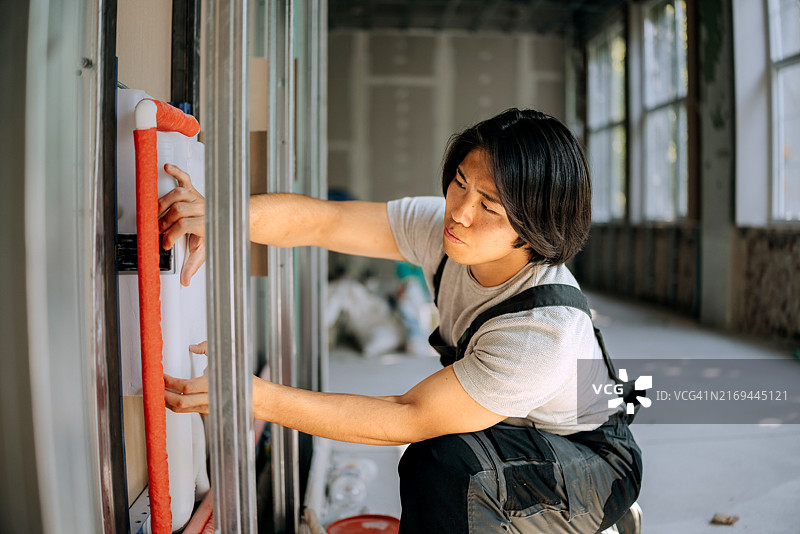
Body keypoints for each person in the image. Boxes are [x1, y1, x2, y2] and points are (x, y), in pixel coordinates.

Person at [161, 108, 643, 533]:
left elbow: (407, 416)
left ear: (536, 224)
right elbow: (325, 222)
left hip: (591, 466)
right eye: (459, 183)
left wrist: (254, 397)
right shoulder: (446, 229)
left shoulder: (543, 332)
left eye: (488, 205)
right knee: (451, 459)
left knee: (445, 467)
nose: (460, 212)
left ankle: (584, 522)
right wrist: (222, 216)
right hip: (517, 430)